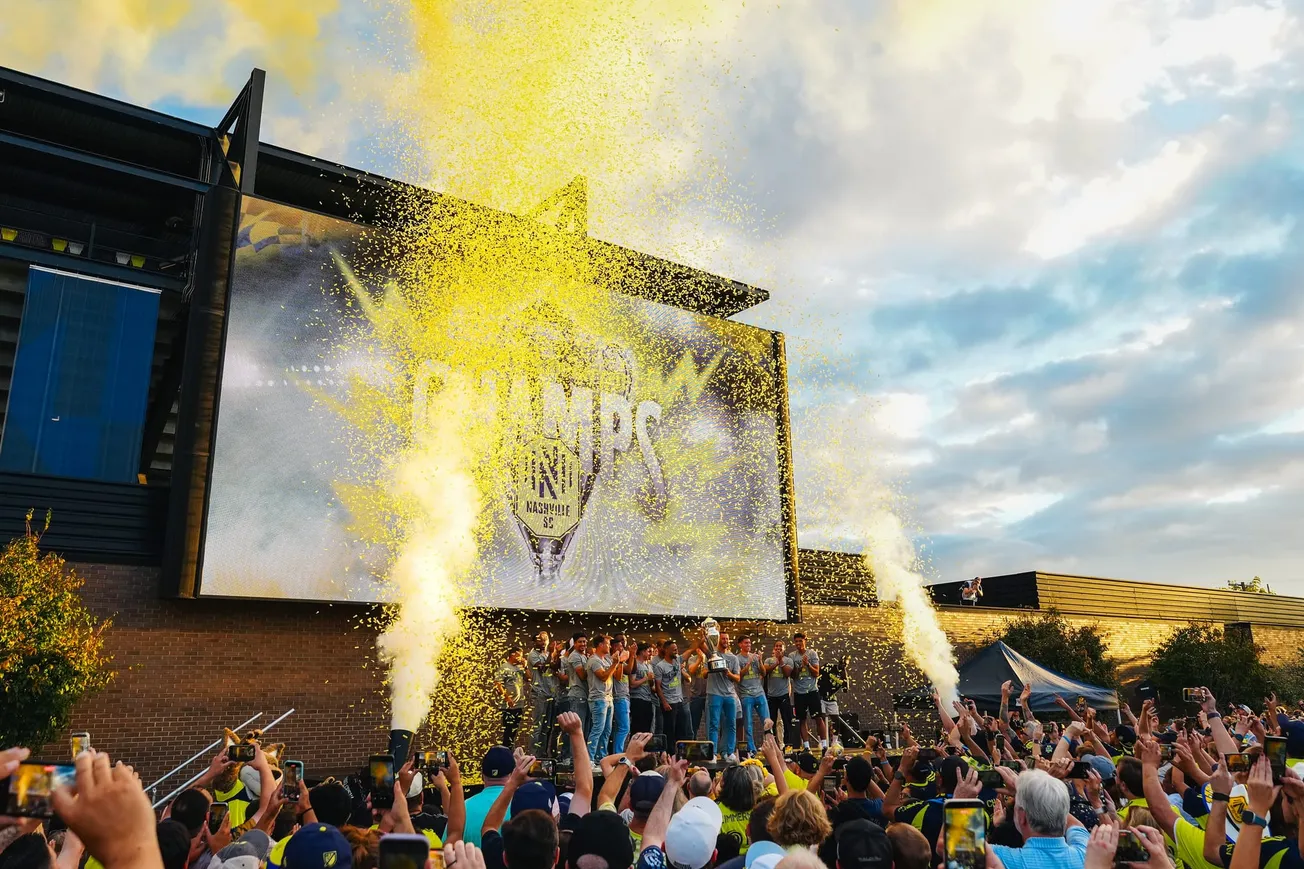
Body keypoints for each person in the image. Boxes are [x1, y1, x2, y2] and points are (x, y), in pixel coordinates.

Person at [987, 769, 1089, 869]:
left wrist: (970, 796)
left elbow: (972, 844)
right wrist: (1029, 794)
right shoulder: (1086, 855)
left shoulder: (1000, 858)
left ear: (1022, 816)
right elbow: (1076, 825)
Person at [695, 632, 741, 761]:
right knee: (714, 724)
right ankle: (713, 753)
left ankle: (729, 752)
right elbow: (704, 674)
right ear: (717, 640)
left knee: (731, 724)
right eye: (723, 638)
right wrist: (712, 667)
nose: (725, 640)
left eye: (727, 638)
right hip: (714, 693)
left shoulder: (733, 658)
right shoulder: (711, 654)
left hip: (730, 695)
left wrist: (728, 673)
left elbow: (737, 678)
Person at [463, 747, 516, 847]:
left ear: (482, 775)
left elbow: (447, 849)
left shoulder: (464, 807)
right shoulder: (523, 805)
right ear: (513, 774)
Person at [653, 639, 692, 749]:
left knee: (681, 730)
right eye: (673, 650)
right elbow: (658, 687)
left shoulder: (677, 661)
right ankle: (668, 754)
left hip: (679, 701)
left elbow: (690, 650)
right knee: (669, 731)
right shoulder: (660, 666)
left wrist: (702, 638)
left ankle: (680, 754)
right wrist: (664, 702)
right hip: (669, 703)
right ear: (666, 650)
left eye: (676, 649)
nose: (676, 651)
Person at [788, 634, 824, 748]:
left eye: (800, 641)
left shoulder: (812, 653)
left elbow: (816, 673)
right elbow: (793, 675)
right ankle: (807, 746)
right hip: (799, 693)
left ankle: (824, 745)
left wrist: (808, 664)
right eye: (796, 641)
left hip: (812, 691)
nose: (798, 643)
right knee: (802, 720)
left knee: (818, 717)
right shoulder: (792, 656)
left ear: (805, 641)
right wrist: (800, 667)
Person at [585, 635, 617, 761]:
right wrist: (615, 663)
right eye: (607, 644)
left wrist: (618, 662)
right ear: (600, 645)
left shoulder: (607, 660)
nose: (609, 646)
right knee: (597, 729)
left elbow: (617, 675)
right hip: (598, 699)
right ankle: (590, 759)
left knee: (606, 731)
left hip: (609, 698)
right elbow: (603, 676)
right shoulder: (594, 660)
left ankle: (601, 758)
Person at [736, 637, 769, 757]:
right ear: (740, 644)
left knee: (767, 721)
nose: (748, 644)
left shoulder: (755, 656)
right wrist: (749, 663)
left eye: (749, 642)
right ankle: (751, 750)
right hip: (746, 695)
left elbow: (764, 673)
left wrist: (760, 661)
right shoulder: (737, 658)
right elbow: (738, 675)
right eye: (746, 642)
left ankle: (770, 746)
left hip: (759, 693)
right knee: (748, 724)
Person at [561, 634, 590, 763]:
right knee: (576, 729)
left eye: (584, 642)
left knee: (583, 730)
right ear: (574, 644)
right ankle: (571, 758)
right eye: (580, 642)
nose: (583, 644)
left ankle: (577, 757)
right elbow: (583, 675)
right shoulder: (574, 656)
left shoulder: (584, 656)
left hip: (585, 696)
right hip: (577, 696)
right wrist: (594, 667)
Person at [527, 632, 558, 756]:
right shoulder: (533, 655)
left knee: (548, 727)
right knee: (538, 726)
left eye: (545, 639)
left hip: (551, 693)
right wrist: (551, 653)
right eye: (540, 640)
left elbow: (555, 668)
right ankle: (533, 755)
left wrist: (558, 654)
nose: (543, 642)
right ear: (535, 642)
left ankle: (543, 754)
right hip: (539, 693)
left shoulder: (548, 653)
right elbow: (542, 668)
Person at [496, 647, 530, 748]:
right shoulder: (504, 667)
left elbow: (529, 678)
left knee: (514, 731)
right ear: (513, 654)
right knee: (508, 731)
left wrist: (526, 666)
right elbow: (498, 684)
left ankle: (510, 750)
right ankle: (506, 752)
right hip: (508, 706)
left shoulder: (519, 668)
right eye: (519, 655)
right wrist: (507, 698)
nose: (521, 657)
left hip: (519, 704)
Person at [764, 641, 795, 749]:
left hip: (783, 695)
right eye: (776, 646)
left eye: (780, 646)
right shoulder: (768, 660)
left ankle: (787, 747)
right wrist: (776, 662)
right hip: (771, 696)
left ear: (784, 648)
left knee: (786, 721)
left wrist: (781, 661)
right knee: (770, 722)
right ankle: (772, 746)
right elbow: (765, 671)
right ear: (774, 648)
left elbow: (787, 674)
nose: (778, 648)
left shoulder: (788, 660)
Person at [629, 641, 657, 738]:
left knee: (647, 728)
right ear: (642, 652)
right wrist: (646, 678)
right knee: (638, 728)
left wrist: (652, 682)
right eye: (649, 651)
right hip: (637, 699)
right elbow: (632, 684)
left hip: (648, 699)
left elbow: (651, 685)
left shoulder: (649, 665)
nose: (651, 654)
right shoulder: (635, 664)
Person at [611, 635, 632, 754]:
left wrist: (632, 655)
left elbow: (629, 670)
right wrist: (622, 659)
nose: (623, 646)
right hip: (619, 696)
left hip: (625, 695)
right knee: (624, 728)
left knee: (620, 728)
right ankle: (618, 754)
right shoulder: (614, 659)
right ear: (614, 646)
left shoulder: (620, 659)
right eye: (620, 644)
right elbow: (618, 677)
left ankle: (617, 752)